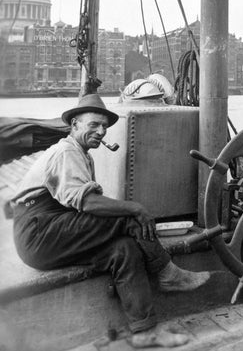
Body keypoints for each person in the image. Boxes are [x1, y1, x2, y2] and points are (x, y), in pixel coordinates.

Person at [11, 93, 210, 348]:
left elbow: (87, 208)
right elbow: (88, 203)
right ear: (75, 125)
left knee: (124, 250)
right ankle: (168, 272)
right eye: (93, 124)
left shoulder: (84, 155)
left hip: (49, 236)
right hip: (39, 232)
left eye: (104, 126)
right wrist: (134, 207)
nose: (101, 131)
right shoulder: (66, 152)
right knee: (130, 217)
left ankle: (144, 331)